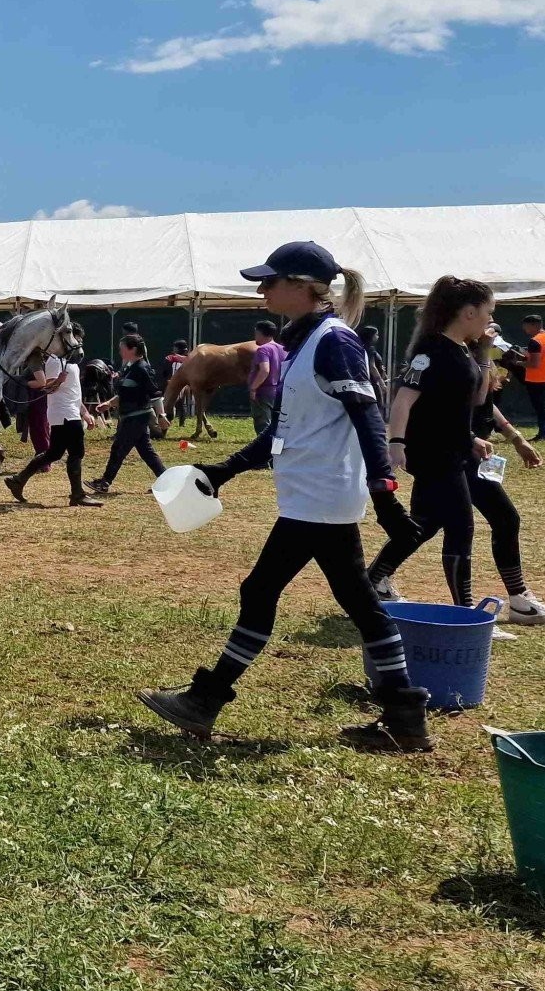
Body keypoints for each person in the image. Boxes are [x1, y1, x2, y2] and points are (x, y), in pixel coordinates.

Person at [139, 240, 430, 753]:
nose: (261, 289)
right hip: (314, 495)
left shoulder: (335, 342)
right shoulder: (308, 342)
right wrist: (225, 468)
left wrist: (384, 490)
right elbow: (285, 429)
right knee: (360, 602)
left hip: (320, 497)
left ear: (301, 287)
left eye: (270, 281)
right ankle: (405, 718)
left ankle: (204, 699)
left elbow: (367, 417)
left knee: (262, 591)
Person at [369, 287, 545, 624]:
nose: (492, 319)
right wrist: (397, 443)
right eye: (488, 311)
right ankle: (467, 616)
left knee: (462, 521)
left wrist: (476, 436)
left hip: (461, 451)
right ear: (468, 312)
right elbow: (404, 399)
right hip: (436, 455)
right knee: (457, 527)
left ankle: (374, 580)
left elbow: (473, 403)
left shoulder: (464, 351)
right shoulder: (431, 350)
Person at [4, 330, 100, 507]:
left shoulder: (72, 364)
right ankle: (77, 494)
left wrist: (85, 413)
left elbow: (74, 394)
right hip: (64, 414)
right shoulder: (56, 361)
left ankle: (18, 480)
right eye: (76, 340)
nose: (78, 344)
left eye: (79, 340)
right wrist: (59, 381)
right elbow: (48, 389)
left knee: (54, 453)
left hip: (69, 412)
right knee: (76, 453)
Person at [89, 335, 166, 494]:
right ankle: (167, 481)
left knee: (118, 449)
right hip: (130, 416)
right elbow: (125, 393)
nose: (119, 351)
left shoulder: (142, 369)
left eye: (122, 348)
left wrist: (162, 415)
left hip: (137, 417)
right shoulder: (130, 367)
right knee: (146, 452)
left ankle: (105, 482)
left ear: (133, 349)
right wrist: (109, 403)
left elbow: (155, 394)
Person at [519, 315, 545, 440]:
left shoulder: (535, 341)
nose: (525, 330)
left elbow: (534, 364)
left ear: (533, 325)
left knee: (540, 408)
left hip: (536, 379)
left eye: (526, 327)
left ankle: (542, 434)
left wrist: (519, 363)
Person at [248, 320, 285, 437]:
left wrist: (254, 388)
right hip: (280, 391)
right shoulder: (283, 349)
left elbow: (265, 370)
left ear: (259, 333)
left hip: (264, 392)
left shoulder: (263, 349)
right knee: (278, 423)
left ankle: (265, 451)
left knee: (263, 423)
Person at [163, 340, 190, 426]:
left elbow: (165, 371)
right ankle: (182, 423)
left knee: (170, 403)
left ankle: (168, 420)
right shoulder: (189, 359)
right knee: (182, 403)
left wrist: (167, 379)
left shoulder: (170, 358)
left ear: (177, 349)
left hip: (173, 383)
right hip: (185, 384)